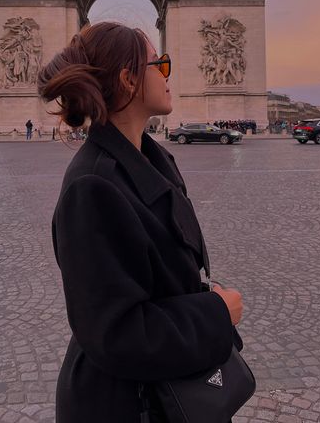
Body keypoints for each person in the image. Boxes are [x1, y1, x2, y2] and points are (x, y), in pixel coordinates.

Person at [38, 22, 244, 423]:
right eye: (159, 64)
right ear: (128, 79)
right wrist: (215, 312)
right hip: (126, 405)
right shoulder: (92, 186)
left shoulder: (153, 160)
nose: (169, 73)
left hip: (161, 390)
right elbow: (116, 333)